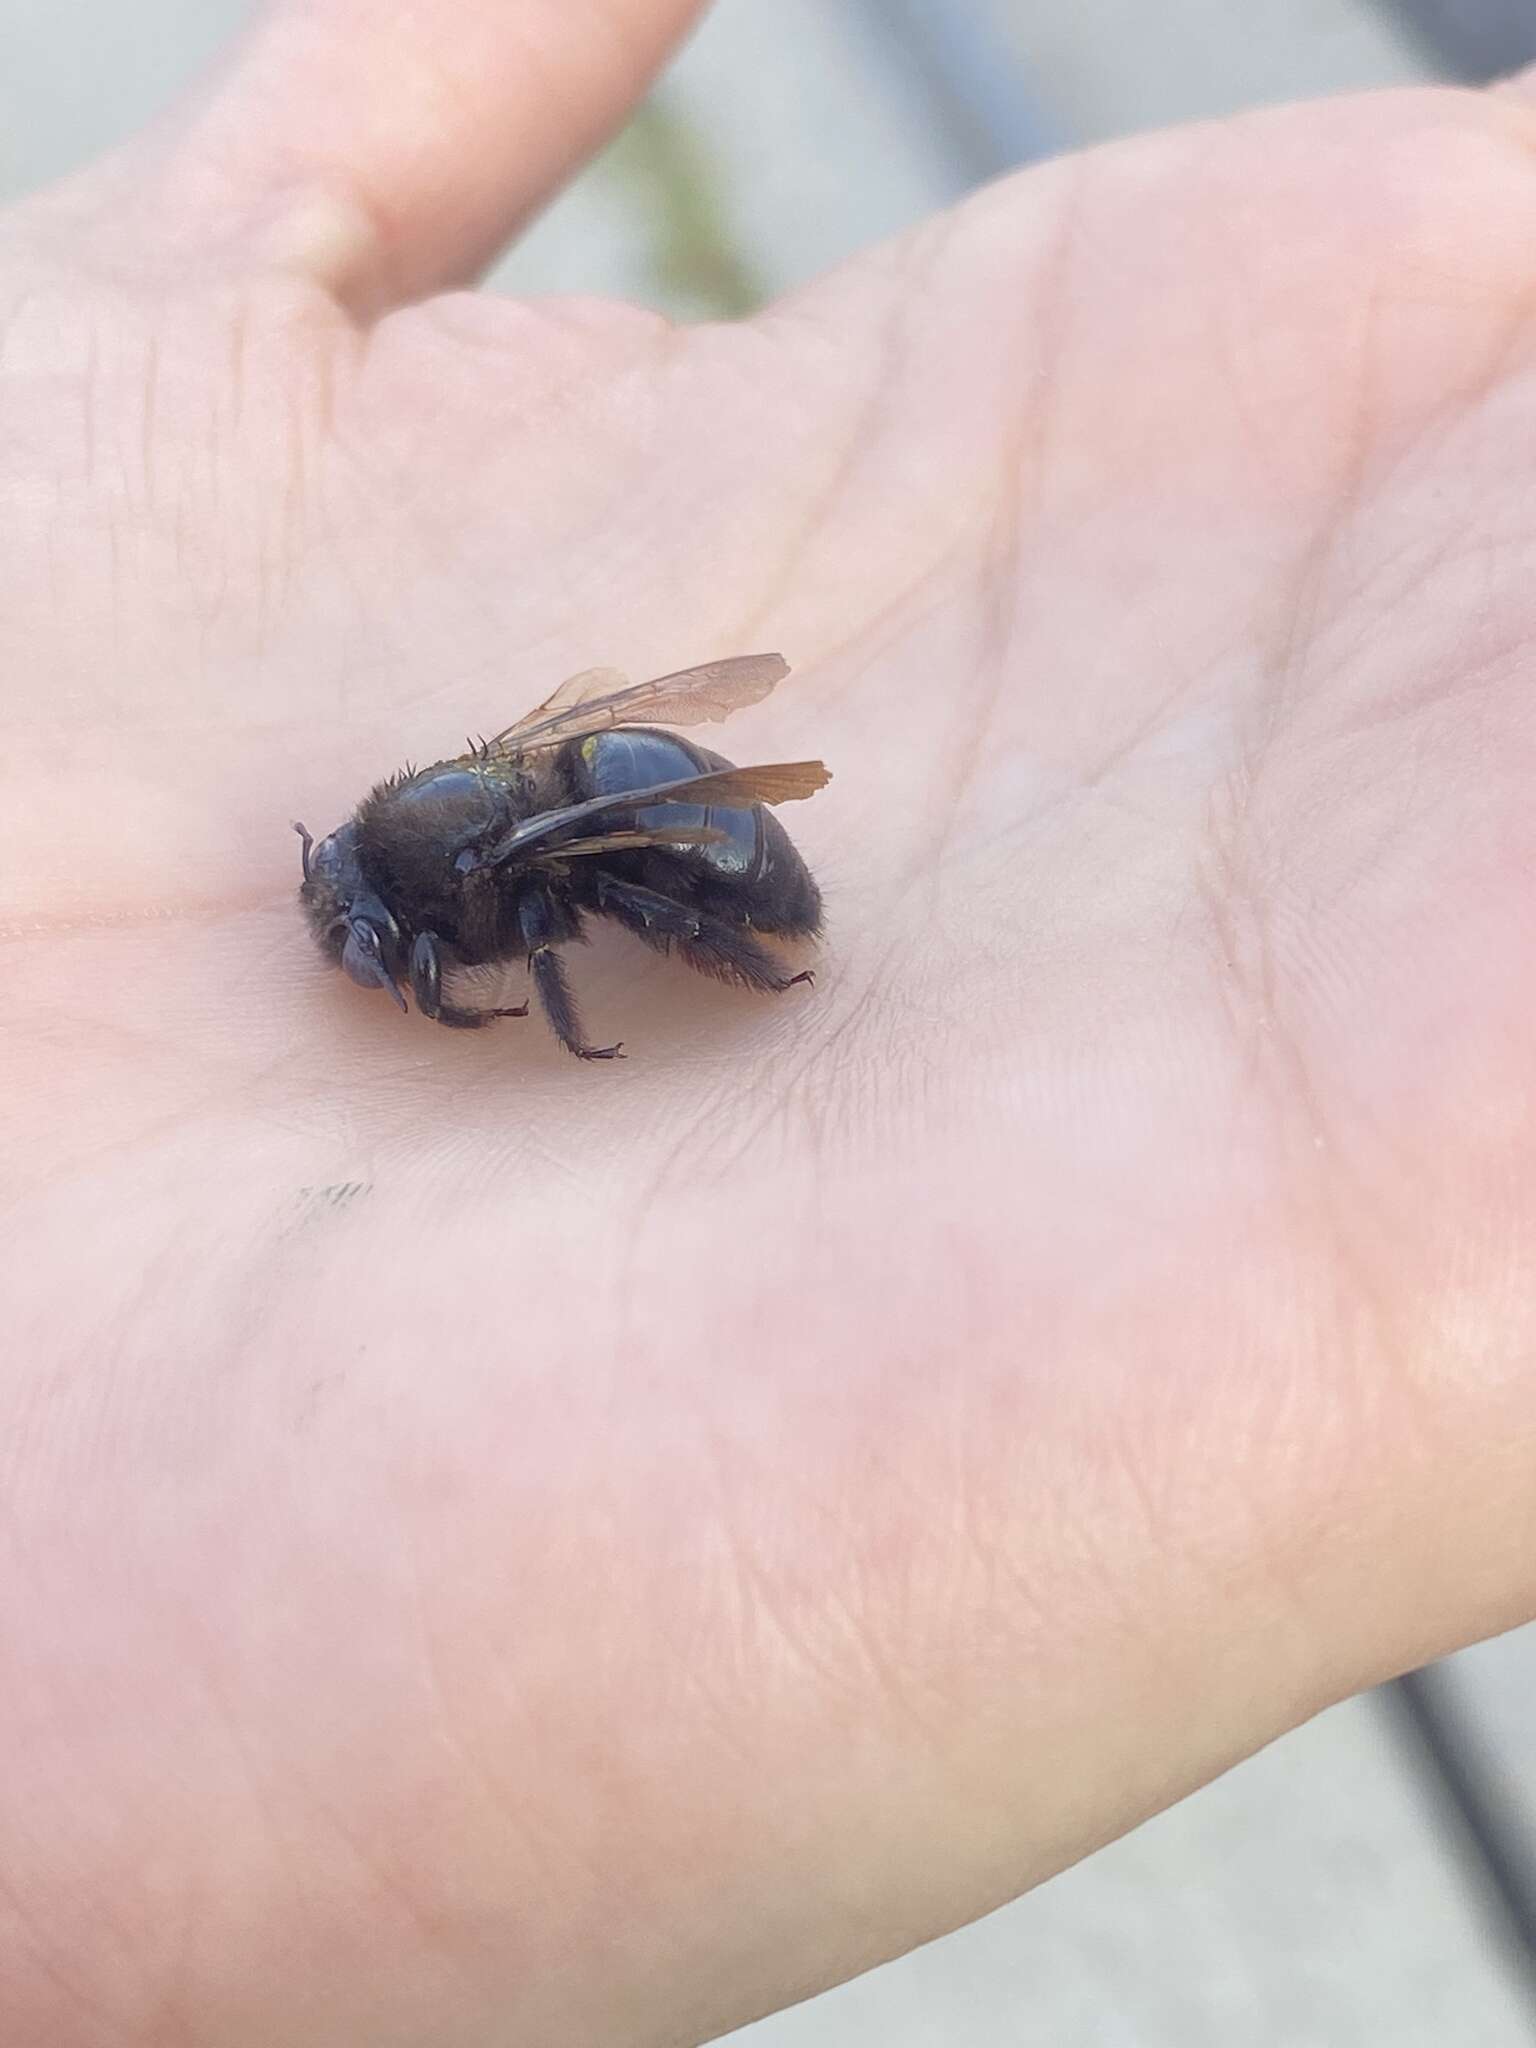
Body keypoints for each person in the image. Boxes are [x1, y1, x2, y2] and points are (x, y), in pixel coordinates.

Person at [6, 2, 1536, 2040]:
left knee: (636, 868)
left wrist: (573, 1009)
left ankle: (732, 955)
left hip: (691, 831)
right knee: (607, 847)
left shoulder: (495, 866)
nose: (368, 942)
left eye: (377, 926)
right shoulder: (446, 818)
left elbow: (571, 869)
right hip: (626, 787)